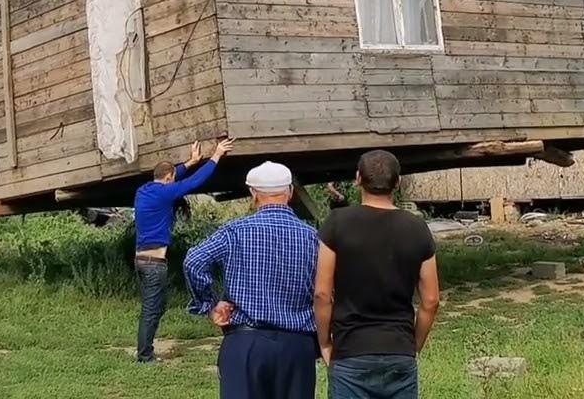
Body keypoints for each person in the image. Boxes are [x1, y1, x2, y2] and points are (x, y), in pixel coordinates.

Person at [183, 161, 319, 399]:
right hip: (297, 345)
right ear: (290, 192)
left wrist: (210, 304)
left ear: (253, 194)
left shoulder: (234, 232)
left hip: (246, 342)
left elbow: (194, 261)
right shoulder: (312, 237)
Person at [315, 150, 441, 399]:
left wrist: (325, 342)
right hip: (399, 350)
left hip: (351, 350)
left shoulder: (337, 223)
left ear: (358, 178)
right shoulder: (417, 227)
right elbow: (431, 300)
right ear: (398, 182)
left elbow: (322, 293)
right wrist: (412, 345)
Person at [133, 136, 234, 364]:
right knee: (151, 309)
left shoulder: (144, 190)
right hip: (153, 263)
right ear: (168, 179)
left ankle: (145, 349)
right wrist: (216, 154)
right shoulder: (165, 193)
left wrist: (191, 162)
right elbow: (194, 182)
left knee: (157, 306)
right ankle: (144, 356)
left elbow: (175, 175)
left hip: (141, 261)